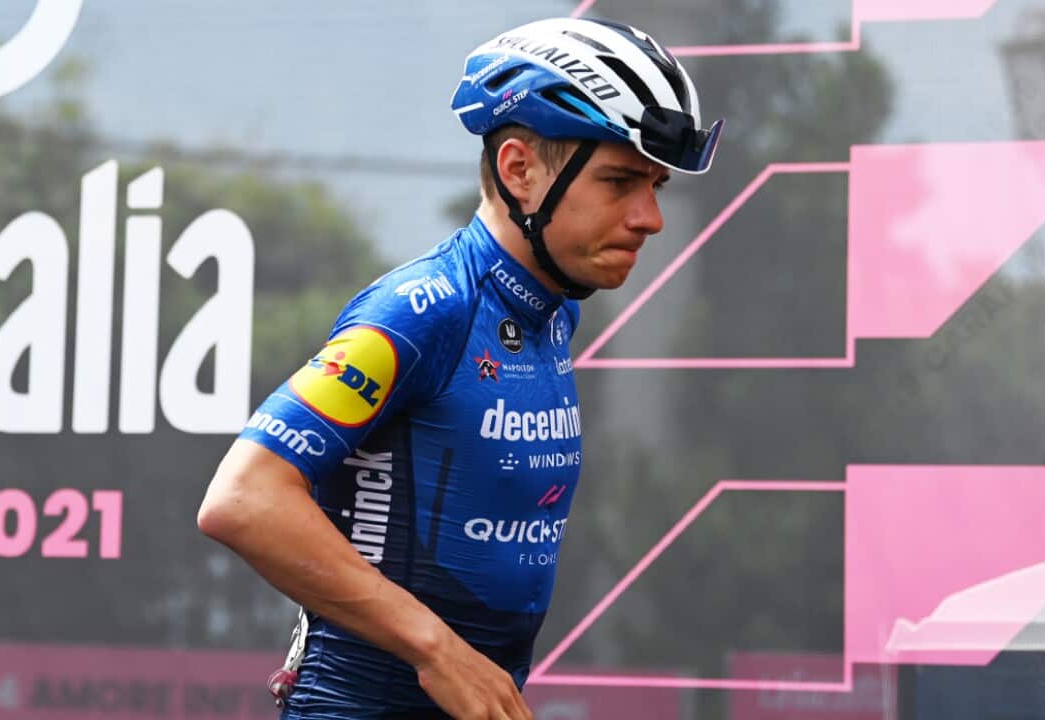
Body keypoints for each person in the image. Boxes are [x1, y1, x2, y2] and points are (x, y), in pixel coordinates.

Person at [197, 16, 722, 720]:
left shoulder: (553, 308)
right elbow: (244, 499)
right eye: (620, 181)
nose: (650, 216)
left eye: (654, 185)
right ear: (519, 170)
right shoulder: (424, 310)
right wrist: (435, 651)